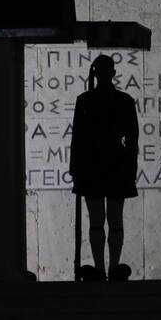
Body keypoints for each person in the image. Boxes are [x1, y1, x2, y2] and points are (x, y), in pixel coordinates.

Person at [68, 54, 138, 281]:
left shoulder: (86, 100)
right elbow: (132, 142)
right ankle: (108, 269)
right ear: (112, 73)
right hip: (111, 164)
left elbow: (78, 138)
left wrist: (75, 169)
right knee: (108, 220)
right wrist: (130, 168)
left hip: (95, 165)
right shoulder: (123, 100)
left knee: (101, 221)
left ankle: (103, 269)